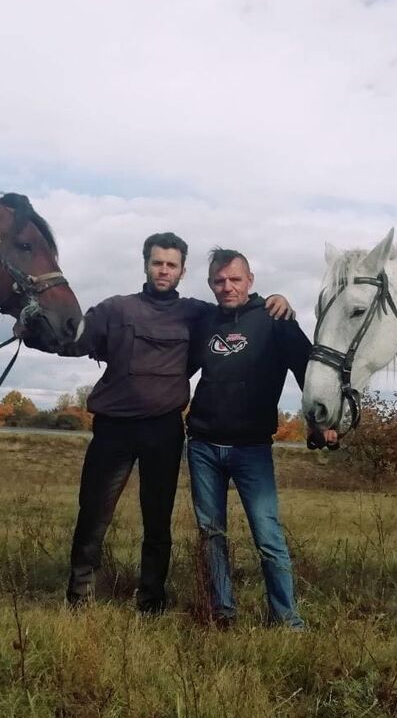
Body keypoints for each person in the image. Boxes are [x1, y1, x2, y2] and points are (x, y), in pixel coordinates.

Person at [59, 233, 292, 612]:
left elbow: (238, 307)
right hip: (113, 429)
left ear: (182, 271)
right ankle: (79, 596)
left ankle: (152, 600)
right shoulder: (116, 308)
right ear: (146, 265)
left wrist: (275, 300)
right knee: (94, 514)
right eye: (157, 263)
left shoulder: (197, 313)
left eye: (171, 265)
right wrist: (32, 324)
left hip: (164, 430)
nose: (163, 270)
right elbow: (73, 340)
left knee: (158, 521)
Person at [185, 247, 334, 629]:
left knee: (268, 536)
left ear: (250, 280)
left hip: (251, 447)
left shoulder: (275, 318)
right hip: (202, 445)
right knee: (211, 534)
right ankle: (222, 613)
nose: (227, 287)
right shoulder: (205, 322)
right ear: (210, 284)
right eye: (219, 281)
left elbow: (308, 373)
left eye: (235, 279)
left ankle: (286, 619)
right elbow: (176, 368)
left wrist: (320, 422)